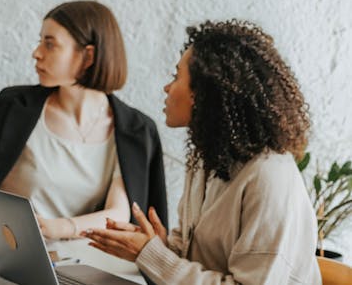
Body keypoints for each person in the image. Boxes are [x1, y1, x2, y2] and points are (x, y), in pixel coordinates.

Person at [87, 20, 321, 284]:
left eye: (176, 77)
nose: (167, 88)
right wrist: (159, 247)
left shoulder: (269, 176)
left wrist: (150, 254)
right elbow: (200, 259)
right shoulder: (208, 159)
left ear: (204, 95)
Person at [0, 1, 168, 239]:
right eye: (40, 41)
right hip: (3, 253)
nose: (37, 53)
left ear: (88, 56)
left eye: (50, 44)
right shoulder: (13, 107)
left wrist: (58, 228)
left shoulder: (135, 130)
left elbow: (119, 214)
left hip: (84, 262)